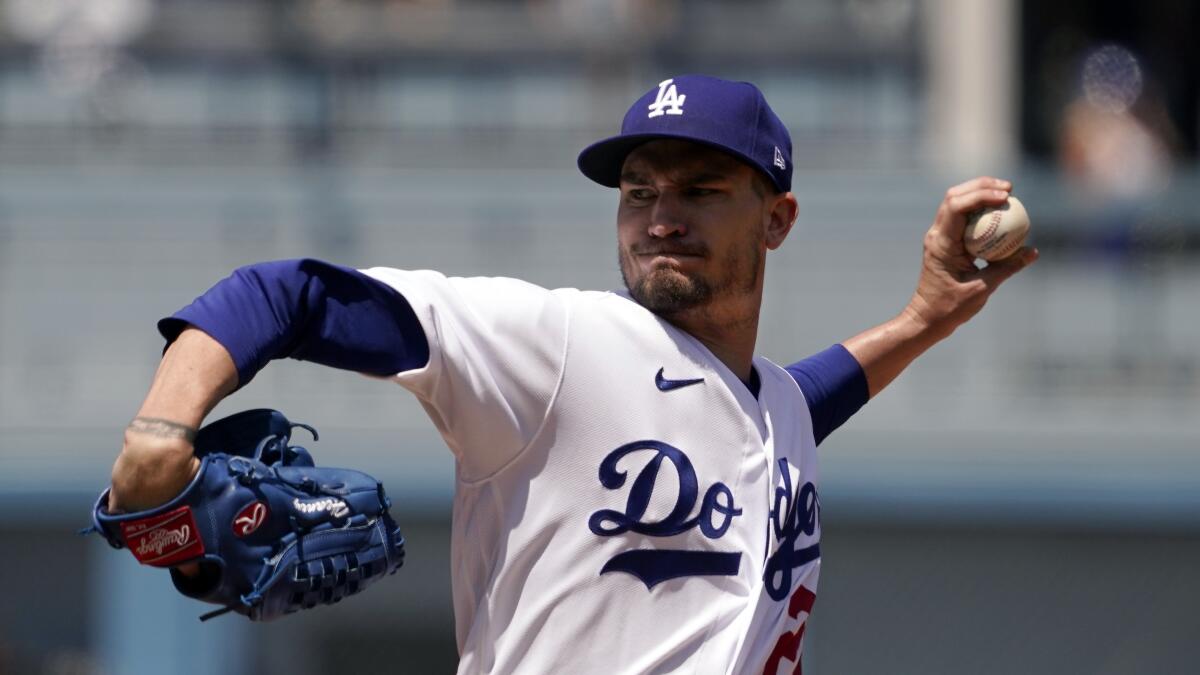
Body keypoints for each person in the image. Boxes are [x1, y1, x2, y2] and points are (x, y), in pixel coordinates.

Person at [106, 75, 1037, 674]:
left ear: (777, 218)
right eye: (640, 190)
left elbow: (795, 401)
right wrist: (158, 432)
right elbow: (284, 295)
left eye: (701, 189)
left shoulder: (772, 408)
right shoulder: (558, 344)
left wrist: (923, 321)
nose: (660, 215)